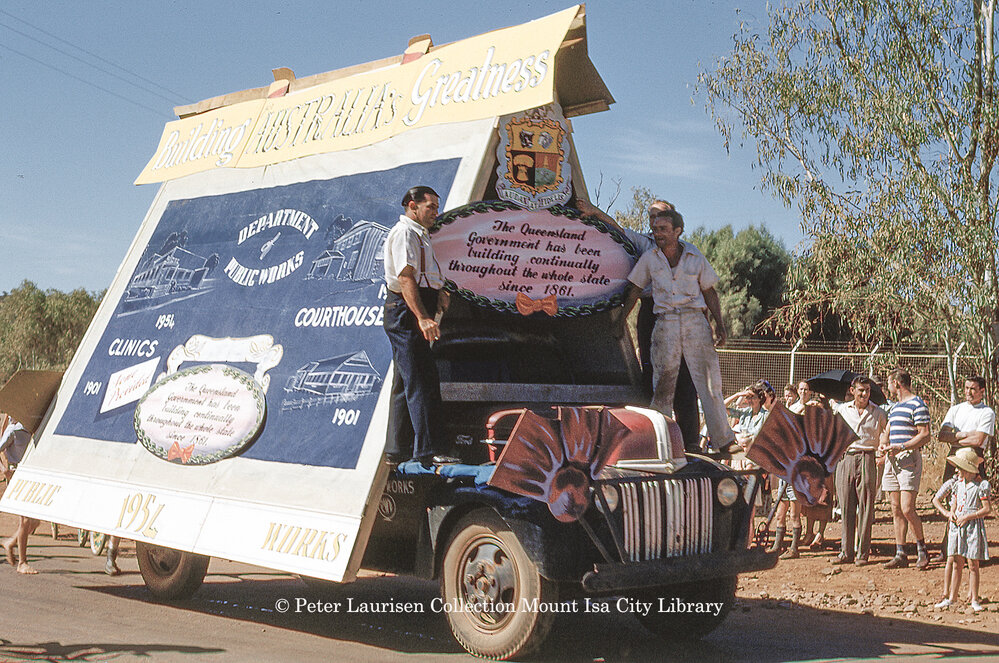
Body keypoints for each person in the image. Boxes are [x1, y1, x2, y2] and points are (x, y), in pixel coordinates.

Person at [575, 198, 702, 452]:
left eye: (661, 216)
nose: (655, 221)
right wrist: (593, 211)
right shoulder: (644, 243)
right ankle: (653, 440)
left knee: (685, 378)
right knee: (652, 373)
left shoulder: (689, 251)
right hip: (652, 311)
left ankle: (689, 443)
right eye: (652, 216)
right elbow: (618, 231)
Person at [618, 205, 736, 455]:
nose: (657, 234)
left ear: (677, 231)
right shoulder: (650, 258)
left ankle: (723, 440)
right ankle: (658, 442)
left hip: (695, 322)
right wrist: (619, 321)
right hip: (666, 322)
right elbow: (635, 289)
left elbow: (709, 291)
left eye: (663, 229)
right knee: (662, 382)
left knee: (708, 381)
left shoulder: (695, 256)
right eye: (655, 229)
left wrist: (719, 324)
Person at [382, 186, 457, 467]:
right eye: (431, 207)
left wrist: (439, 291)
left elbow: (424, 276)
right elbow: (406, 279)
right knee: (422, 378)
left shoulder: (420, 235)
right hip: (406, 308)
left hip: (417, 302)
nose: (435, 213)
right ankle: (429, 450)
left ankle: (396, 448)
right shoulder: (404, 233)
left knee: (405, 380)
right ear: (412, 206)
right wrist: (422, 317)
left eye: (437, 208)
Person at [934, 376, 994, 562]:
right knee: (953, 499)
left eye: (973, 389)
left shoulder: (987, 412)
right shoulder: (956, 409)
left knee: (971, 502)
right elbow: (942, 435)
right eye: (967, 388)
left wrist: (955, 438)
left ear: (982, 391)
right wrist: (961, 435)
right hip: (954, 459)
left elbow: (978, 440)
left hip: (973, 458)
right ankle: (948, 550)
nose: (969, 392)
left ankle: (971, 553)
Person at [832, 376, 887, 566]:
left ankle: (862, 553)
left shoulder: (878, 412)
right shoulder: (841, 410)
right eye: (861, 390)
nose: (864, 394)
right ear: (852, 390)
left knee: (866, 506)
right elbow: (833, 433)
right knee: (846, 505)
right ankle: (845, 551)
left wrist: (883, 449)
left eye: (867, 390)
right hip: (846, 457)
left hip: (867, 457)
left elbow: (885, 432)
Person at [879, 368, 931, 569]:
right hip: (892, 460)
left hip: (908, 459)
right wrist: (883, 444)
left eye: (890, 383)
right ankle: (901, 552)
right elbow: (888, 430)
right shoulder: (895, 407)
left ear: (897, 384)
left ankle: (921, 548)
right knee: (896, 508)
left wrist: (901, 446)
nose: (889, 387)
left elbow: (924, 435)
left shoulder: (918, 404)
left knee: (908, 507)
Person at [932, 447, 991, 612]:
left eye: (959, 467)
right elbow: (956, 502)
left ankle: (974, 598)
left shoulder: (981, 486)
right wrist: (951, 513)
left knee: (973, 564)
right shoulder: (958, 484)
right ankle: (952, 597)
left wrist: (968, 516)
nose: (957, 470)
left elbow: (987, 509)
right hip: (957, 526)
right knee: (957, 561)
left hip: (971, 526)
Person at [1, 415, 40, 574]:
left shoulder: (32, 431)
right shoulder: (13, 430)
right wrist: (4, 469)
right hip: (17, 475)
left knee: (35, 522)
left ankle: (11, 542)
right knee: (25, 520)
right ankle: (22, 563)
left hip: (28, 474)